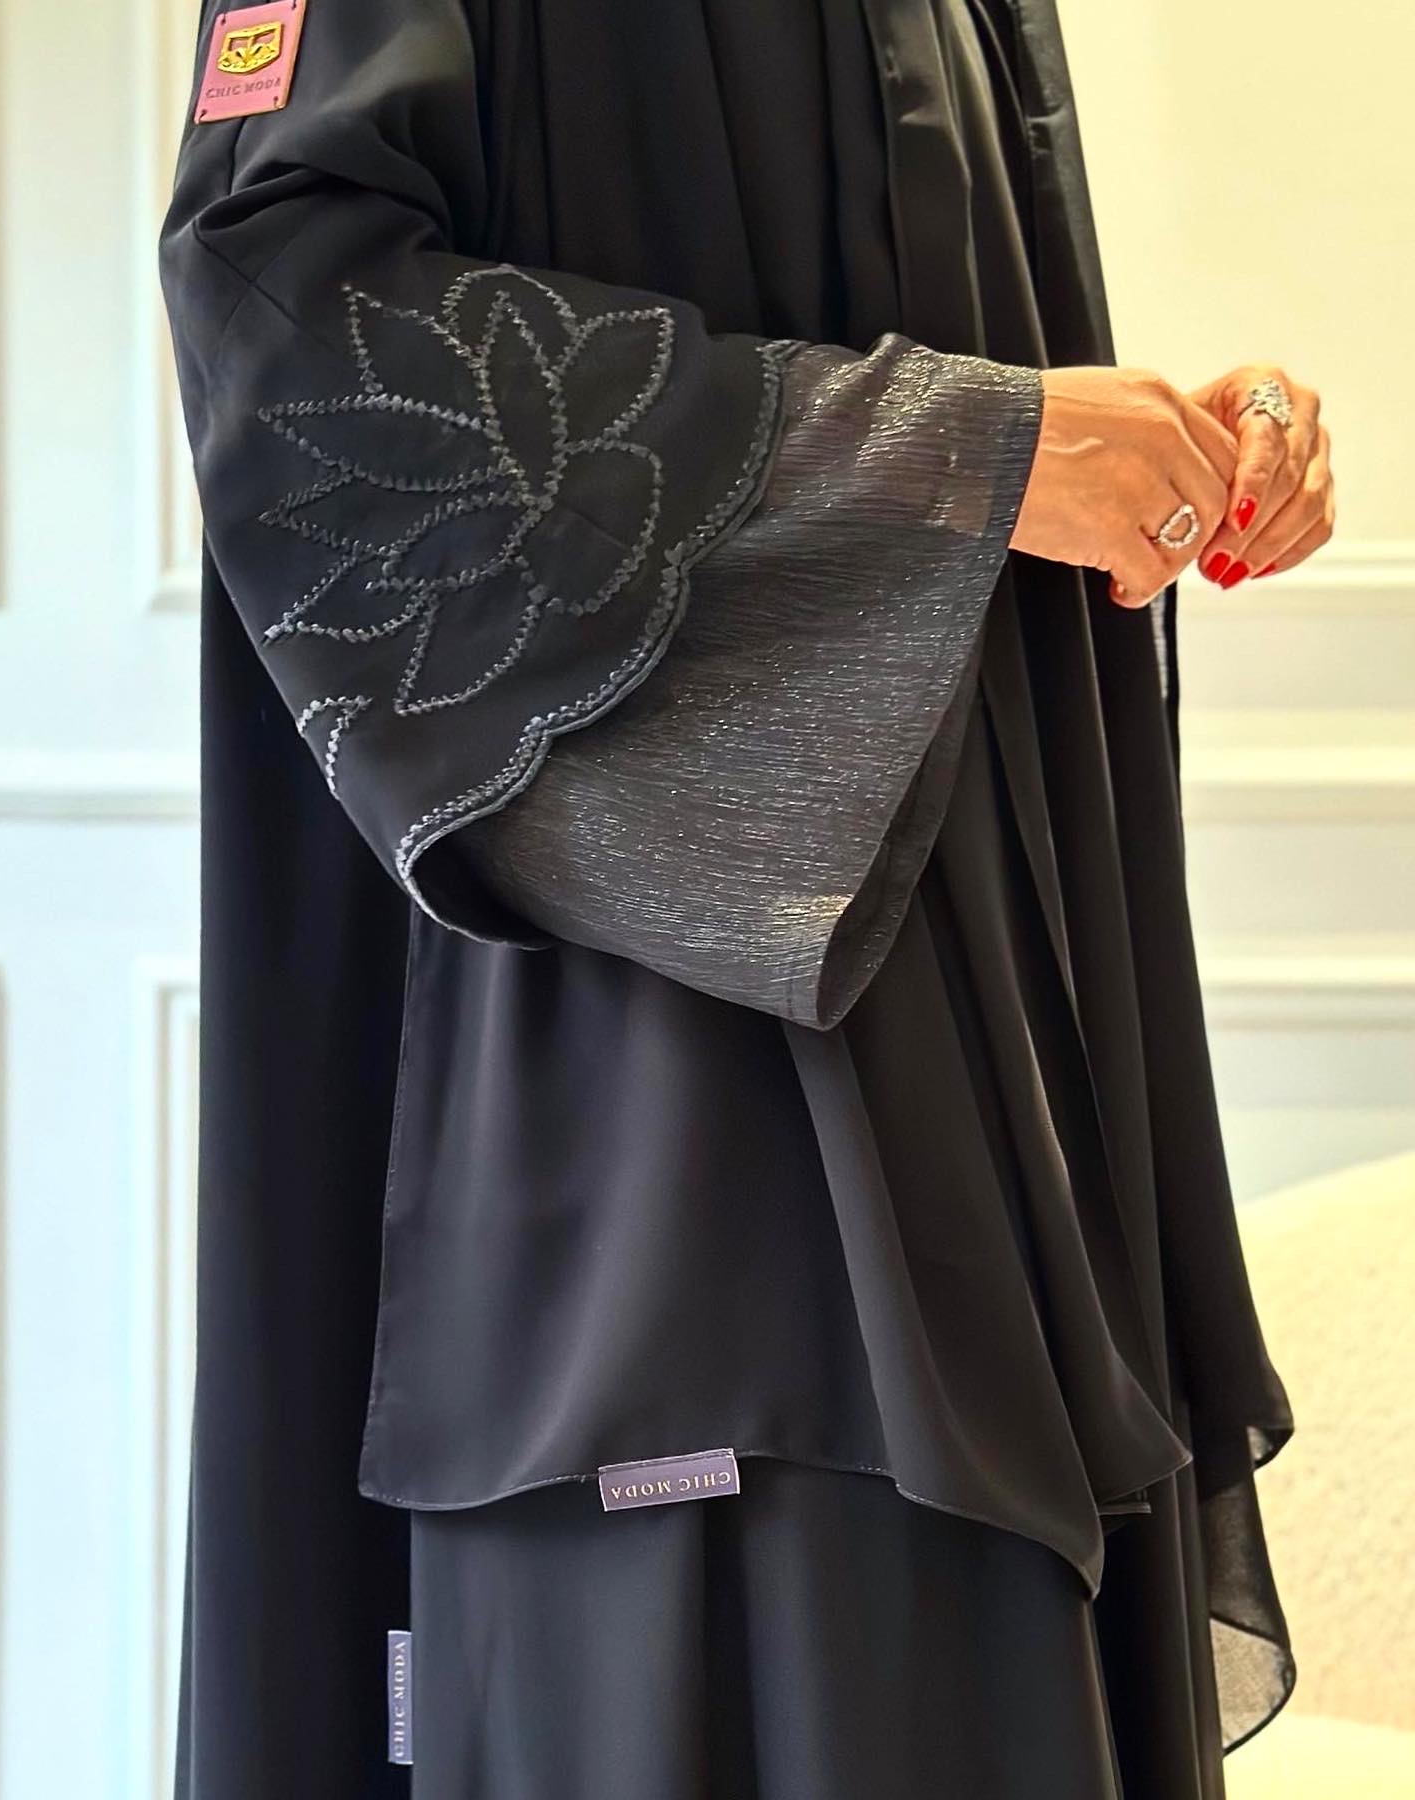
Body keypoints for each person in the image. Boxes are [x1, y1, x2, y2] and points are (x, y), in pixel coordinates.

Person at [158, 0, 1335, 1793]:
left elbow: (945, 371)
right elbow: (287, 326)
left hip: (986, 1100)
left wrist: (1162, 457)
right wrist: (967, 447)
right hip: (653, 1164)